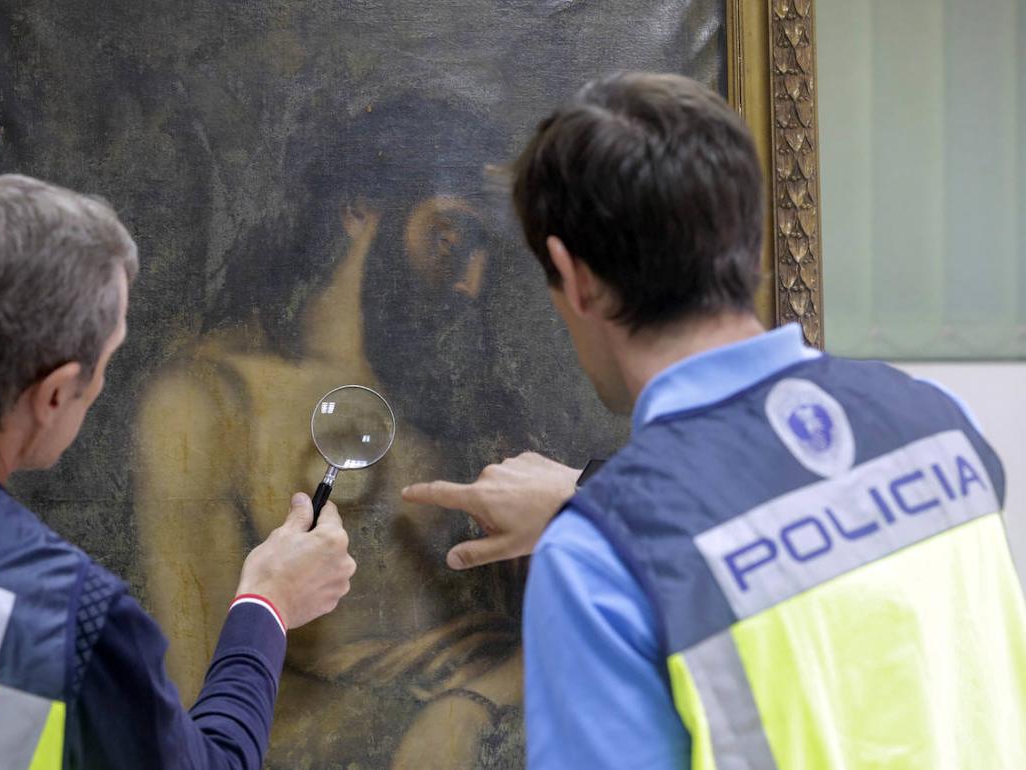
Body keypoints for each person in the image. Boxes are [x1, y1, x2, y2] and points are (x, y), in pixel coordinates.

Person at [404, 72, 1026, 768]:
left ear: (572, 274)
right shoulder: (943, 430)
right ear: (748, 239)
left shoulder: (597, 560)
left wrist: (604, 523)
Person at [0, 174, 356, 770]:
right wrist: (267, 605)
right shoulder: (72, 620)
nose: (101, 387)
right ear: (53, 394)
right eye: (104, 364)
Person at [135, 96, 529, 769]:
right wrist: (422, 724)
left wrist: (472, 704)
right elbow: (200, 714)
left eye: (485, 250)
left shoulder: (475, 409)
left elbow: (563, 623)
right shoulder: (208, 405)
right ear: (359, 211)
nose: (469, 283)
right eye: (447, 235)